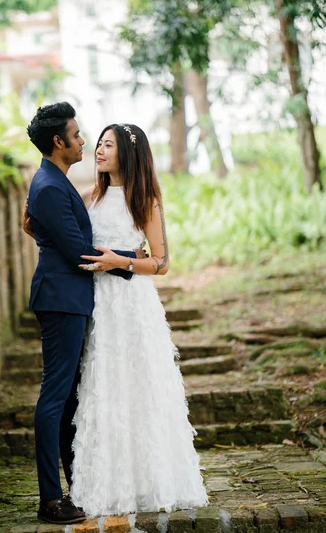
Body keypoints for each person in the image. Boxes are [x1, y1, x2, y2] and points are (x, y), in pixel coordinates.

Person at [68, 123, 209, 517]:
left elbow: (161, 263)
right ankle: (108, 484)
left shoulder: (144, 200)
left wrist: (120, 261)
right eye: (98, 142)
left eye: (107, 144)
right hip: (97, 304)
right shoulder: (88, 197)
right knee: (103, 386)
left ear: (127, 154)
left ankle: (152, 481)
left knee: (139, 386)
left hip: (132, 303)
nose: (98, 149)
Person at [24, 103, 146, 525]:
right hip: (61, 300)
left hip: (71, 300)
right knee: (55, 396)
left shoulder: (55, 182)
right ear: (58, 142)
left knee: (68, 396)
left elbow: (49, 229)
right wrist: (133, 257)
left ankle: (76, 486)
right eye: (77, 135)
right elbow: (78, 250)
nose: (83, 141)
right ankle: (50, 499)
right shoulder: (51, 186)